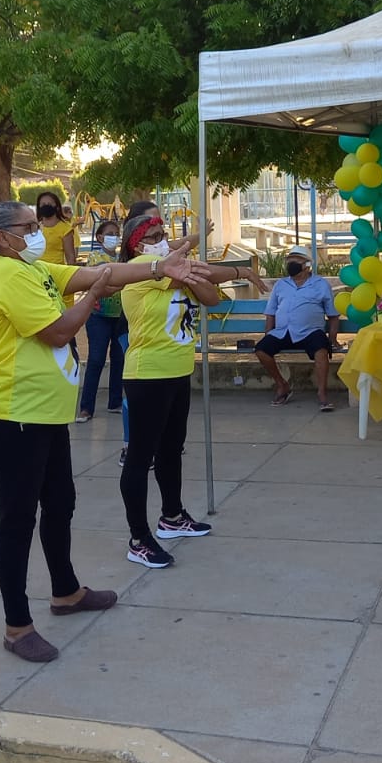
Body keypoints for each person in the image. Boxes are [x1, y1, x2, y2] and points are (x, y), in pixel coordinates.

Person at [0, 200, 202, 662]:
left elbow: (100, 274)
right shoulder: (7, 275)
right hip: (13, 415)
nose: (39, 232)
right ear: (2, 238)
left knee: (60, 504)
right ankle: (17, 627)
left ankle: (66, 592)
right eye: (29, 226)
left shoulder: (30, 268)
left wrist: (157, 265)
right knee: (18, 520)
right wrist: (94, 296)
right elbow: (58, 331)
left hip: (45, 413)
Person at [117, 212, 231, 569]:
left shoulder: (167, 267)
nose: (163, 238)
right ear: (138, 242)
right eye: (154, 234)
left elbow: (210, 296)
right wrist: (236, 273)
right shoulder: (143, 266)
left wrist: (194, 276)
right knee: (141, 456)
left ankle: (172, 515)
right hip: (148, 374)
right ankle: (138, 537)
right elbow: (203, 276)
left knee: (171, 448)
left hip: (178, 368)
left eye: (163, 233)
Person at [256, 243, 341, 411]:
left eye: (296, 261)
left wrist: (332, 338)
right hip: (283, 332)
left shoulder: (320, 284)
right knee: (261, 350)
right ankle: (282, 385)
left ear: (307, 265)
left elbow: (333, 315)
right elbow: (271, 312)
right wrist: (268, 334)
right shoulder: (281, 284)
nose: (291, 264)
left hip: (311, 332)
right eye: (290, 260)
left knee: (321, 352)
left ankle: (322, 394)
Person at [75, 219, 126, 423]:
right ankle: (86, 408)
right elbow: (104, 275)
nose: (114, 236)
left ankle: (114, 402)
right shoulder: (96, 256)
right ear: (100, 237)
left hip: (120, 316)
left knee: (119, 359)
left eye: (117, 233)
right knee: (96, 360)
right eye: (110, 233)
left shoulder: (122, 258)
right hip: (98, 317)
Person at [36, 191, 77, 266]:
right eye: (43, 204)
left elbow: (70, 257)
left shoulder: (66, 228)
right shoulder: (34, 227)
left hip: (56, 271)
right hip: (36, 271)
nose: (46, 206)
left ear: (57, 207)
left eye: (49, 204)